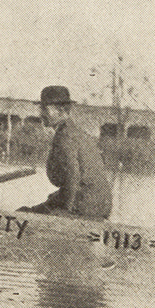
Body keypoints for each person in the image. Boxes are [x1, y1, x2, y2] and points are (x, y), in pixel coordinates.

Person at [19, 86, 112, 219]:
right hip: (99, 205)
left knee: (26, 215)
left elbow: (72, 176)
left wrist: (65, 211)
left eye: (45, 109)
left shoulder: (65, 136)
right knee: (30, 211)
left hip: (86, 207)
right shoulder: (76, 132)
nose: (41, 114)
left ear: (61, 111)